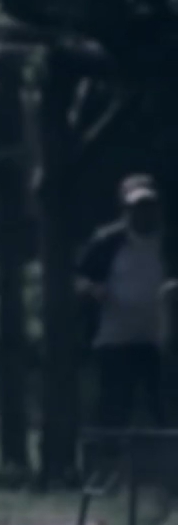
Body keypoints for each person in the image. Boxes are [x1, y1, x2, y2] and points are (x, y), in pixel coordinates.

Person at [76, 174, 173, 430]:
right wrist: (92, 290)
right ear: (125, 209)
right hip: (115, 339)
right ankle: (107, 453)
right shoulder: (107, 242)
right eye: (137, 207)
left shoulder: (169, 242)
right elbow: (80, 278)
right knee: (114, 408)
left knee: (160, 411)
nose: (144, 213)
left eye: (149, 206)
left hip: (160, 343)